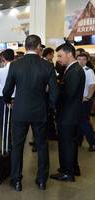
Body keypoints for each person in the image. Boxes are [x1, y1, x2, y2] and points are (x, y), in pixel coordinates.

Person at [3, 35, 58, 191]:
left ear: (25, 46)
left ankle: (16, 180)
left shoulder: (15, 65)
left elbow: (7, 89)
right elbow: (54, 92)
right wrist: (49, 108)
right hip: (40, 111)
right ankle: (42, 181)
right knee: (42, 146)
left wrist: (8, 100)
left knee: (17, 146)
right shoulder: (47, 66)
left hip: (20, 110)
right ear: (39, 46)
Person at [50, 43, 85, 182]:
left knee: (66, 143)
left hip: (68, 114)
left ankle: (67, 172)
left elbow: (68, 94)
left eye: (60, 55)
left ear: (69, 54)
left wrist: (55, 90)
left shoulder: (75, 71)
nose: (58, 58)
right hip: (71, 113)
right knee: (71, 142)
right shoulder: (72, 69)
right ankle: (73, 167)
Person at [76, 53, 95, 151]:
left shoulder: (88, 71)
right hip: (78, 101)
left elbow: (92, 85)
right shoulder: (77, 70)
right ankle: (78, 141)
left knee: (84, 122)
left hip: (85, 101)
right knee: (79, 121)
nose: (81, 61)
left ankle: (93, 143)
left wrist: (88, 97)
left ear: (87, 60)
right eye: (79, 59)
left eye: (83, 59)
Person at [0, 49, 15, 136]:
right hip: (16, 99)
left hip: (4, 99)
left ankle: (7, 146)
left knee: (4, 123)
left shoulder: (0, 70)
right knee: (16, 124)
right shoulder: (18, 70)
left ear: (3, 58)